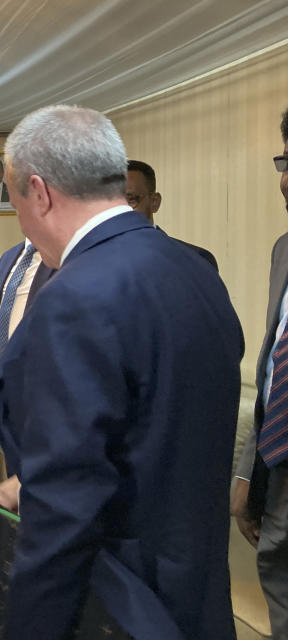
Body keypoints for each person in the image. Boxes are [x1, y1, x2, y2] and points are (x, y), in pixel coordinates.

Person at [0, 105, 243, 639]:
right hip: (193, 591)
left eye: (15, 202)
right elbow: (151, 427)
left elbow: (65, 514)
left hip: (117, 604)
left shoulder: (72, 298)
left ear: (39, 192)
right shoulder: (194, 271)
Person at [231, 108, 288, 640]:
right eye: (285, 161)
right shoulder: (283, 251)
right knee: (276, 574)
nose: (286, 178)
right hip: (277, 462)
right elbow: (274, 370)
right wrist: (249, 474)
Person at [0, 239, 53, 508]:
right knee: (13, 475)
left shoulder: (61, 257)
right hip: (5, 390)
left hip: (39, 393)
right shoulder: (10, 257)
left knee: (38, 482)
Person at [125, 159, 218, 269]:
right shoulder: (100, 257)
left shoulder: (195, 260)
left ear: (154, 202)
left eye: (131, 200)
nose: (117, 211)